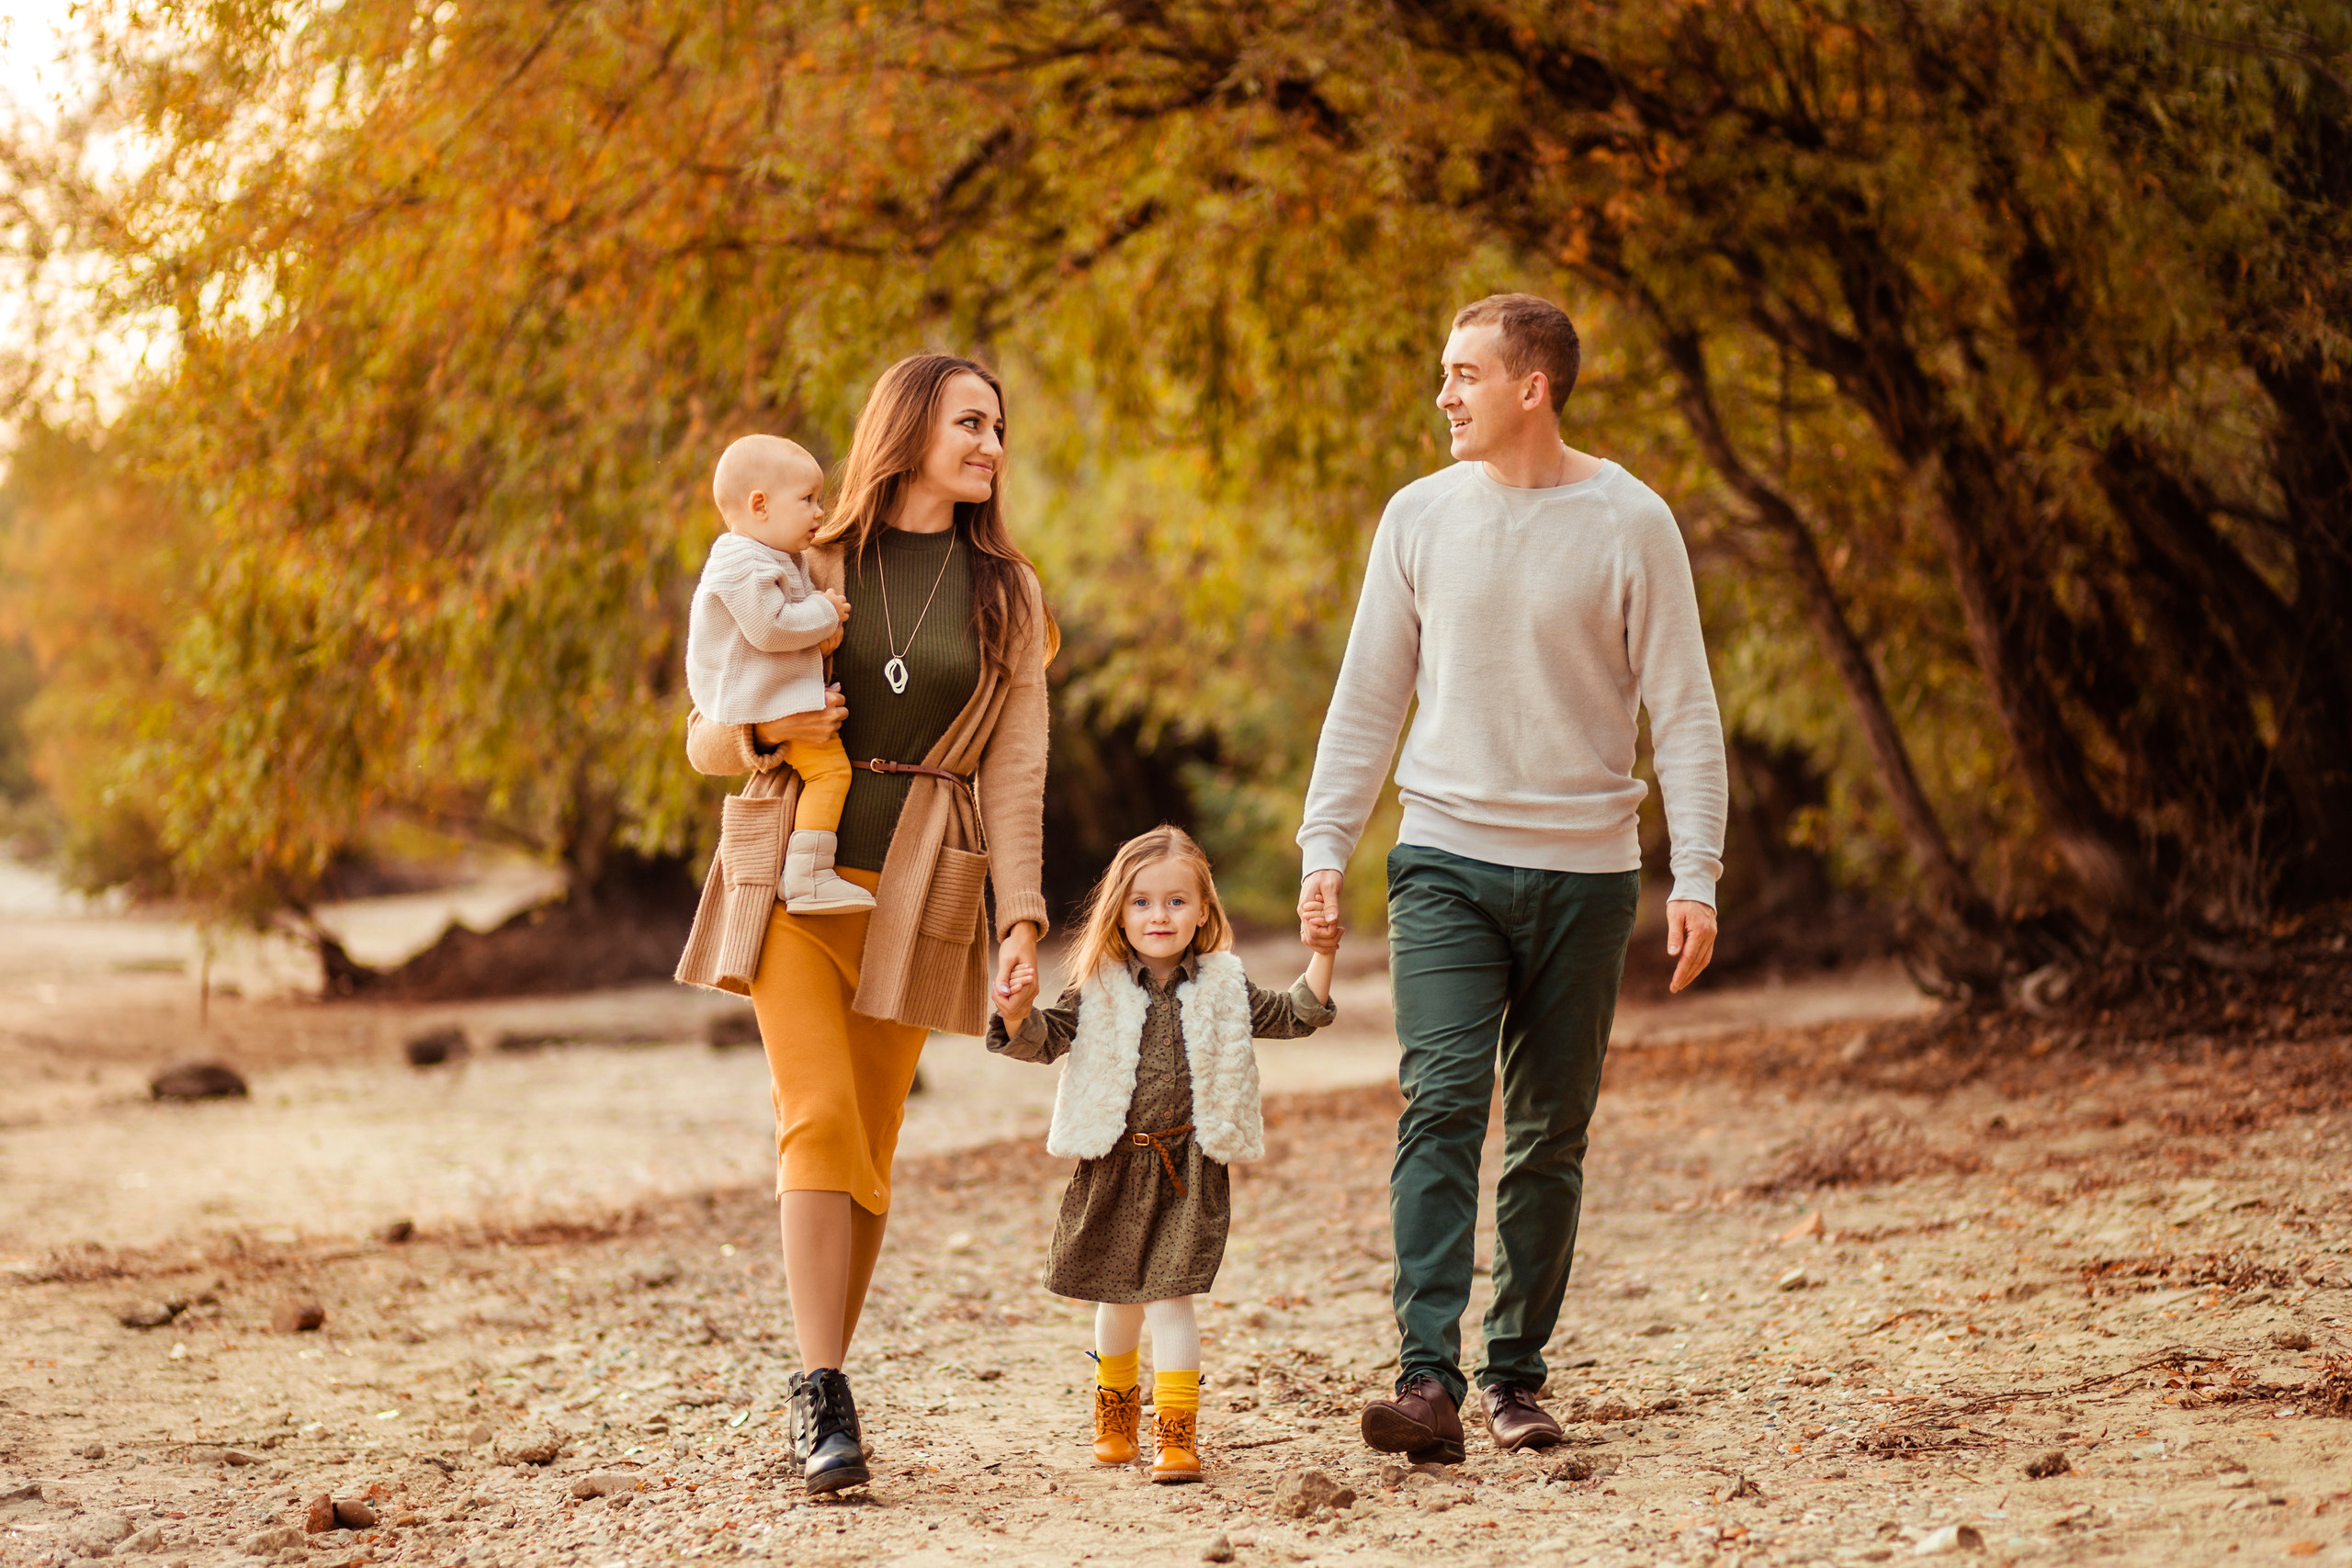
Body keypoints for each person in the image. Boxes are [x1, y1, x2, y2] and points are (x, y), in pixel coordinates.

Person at [1295, 293, 1728, 1463]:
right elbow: (1369, 694)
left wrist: (1699, 873)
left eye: (1464, 373)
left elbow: (1683, 710)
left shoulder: (1631, 522)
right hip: (1443, 860)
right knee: (1439, 1101)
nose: (1443, 393)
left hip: (1586, 876)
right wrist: (1323, 845)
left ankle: (1515, 1377)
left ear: (1530, 387)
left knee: (1548, 1132)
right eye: (1444, 372)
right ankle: (1425, 1382)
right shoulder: (1418, 516)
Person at [674, 355, 1054, 1495]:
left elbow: (1018, 768)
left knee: (873, 1151)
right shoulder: (806, 555)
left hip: (923, 885)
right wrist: (752, 743)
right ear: (909, 430)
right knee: (820, 1116)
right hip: (794, 875)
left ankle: (822, 1384)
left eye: (998, 426)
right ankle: (823, 1391)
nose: (990, 443)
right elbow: (703, 721)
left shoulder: (1008, 593)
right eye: (969, 422)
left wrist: (1022, 917)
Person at [989, 826, 1340, 1483]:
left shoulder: (1224, 985)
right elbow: (1043, 1039)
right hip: (1114, 1166)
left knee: (1171, 1298)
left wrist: (1321, 953)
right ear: (1119, 911)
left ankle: (1176, 1434)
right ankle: (1114, 1413)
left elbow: (1296, 1012)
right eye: (1143, 902)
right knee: (1118, 1301)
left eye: (1176, 901)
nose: (1159, 915)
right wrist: (1013, 1012)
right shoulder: (1097, 986)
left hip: (1188, 1171)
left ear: (1204, 909)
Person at [685, 434, 872, 913]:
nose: (819, 512)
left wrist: (818, 633)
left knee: (829, 772)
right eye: (808, 500)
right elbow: (770, 627)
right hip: (761, 703)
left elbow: (783, 628)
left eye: (820, 500)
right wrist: (826, 613)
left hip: (773, 698)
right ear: (760, 505)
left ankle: (808, 874)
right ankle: (808, 875)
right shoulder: (743, 562)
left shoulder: (768, 555)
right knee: (830, 773)